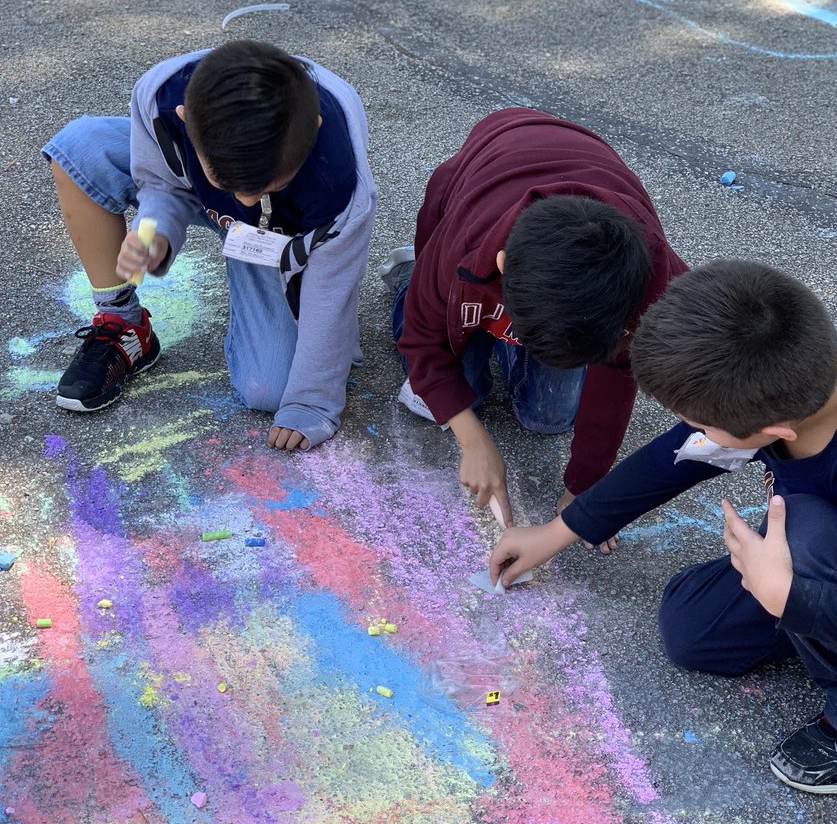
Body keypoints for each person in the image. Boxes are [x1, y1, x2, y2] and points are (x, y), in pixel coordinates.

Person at [489, 260, 837, 794]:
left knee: (805, 531)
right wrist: (558, 531)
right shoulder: (793, 372)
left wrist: (786, 594)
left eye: (706, 424)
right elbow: (681, 456)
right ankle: (814, 607)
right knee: (691, 633)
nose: (696, 432)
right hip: (831, 553)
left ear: (771, 432)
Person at [45, 39, 376, 451]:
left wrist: (312, 403)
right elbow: (163, 183)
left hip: (276, 238)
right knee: (79, 147)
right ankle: (123, 322)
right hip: (209, 190)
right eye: (229, 185)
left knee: (268, 391)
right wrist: (154, 233)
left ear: (315, 130)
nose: (246, 202)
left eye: (266, 187)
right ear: (186, 122)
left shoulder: (340, 188)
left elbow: (331, 295)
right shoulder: (160, 96)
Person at [379, 107, 688, 525]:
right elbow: (420, 342)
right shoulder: (463, 240)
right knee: (436, 395)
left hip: (550, 249)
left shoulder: (653, 285)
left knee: (549, 418)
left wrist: (583, 489)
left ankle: (503, 332)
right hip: (485, 179)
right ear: (504, 265)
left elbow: (617, 376)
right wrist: (473, 443)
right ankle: (406, 277)